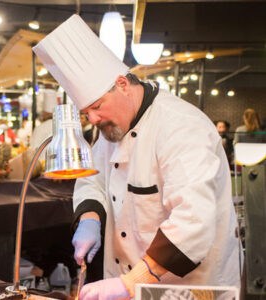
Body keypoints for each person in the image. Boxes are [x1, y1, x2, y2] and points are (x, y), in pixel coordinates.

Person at [33, 15, 241, 300]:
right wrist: (90, 218)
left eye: (96, 106)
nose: (92, 118)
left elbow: (192, 221)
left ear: (122, 83)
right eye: (85, 112)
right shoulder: (110, 129)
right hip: (125, 275)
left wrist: (131, 282)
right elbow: (93, 180)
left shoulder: (181, 126)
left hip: (186, 284)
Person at [30, 88, 58, 161]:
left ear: (44, 113)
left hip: (43, 166)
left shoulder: (40, 128)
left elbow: (32, 151)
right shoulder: (62, 126)